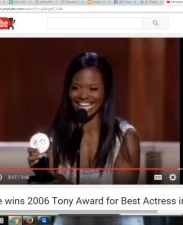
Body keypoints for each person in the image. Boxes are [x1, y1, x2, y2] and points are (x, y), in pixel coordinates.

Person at [28, 52, 140, 184]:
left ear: (106, 91)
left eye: (93, 89)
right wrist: (41, 173)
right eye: (76, 88)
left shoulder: (125, 139)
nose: (83, 95)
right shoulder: (56, 136)